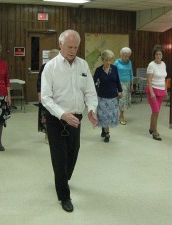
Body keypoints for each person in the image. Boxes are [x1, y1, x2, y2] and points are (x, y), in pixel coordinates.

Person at [41, 29, 98, 212]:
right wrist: (62, 114)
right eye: (69, 46)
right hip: (56, 118)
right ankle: (64, 196)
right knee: (59, 158)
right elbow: (46, 98)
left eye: (75, 47)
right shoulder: (50, 67)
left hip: (76, 117)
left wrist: (91, 109)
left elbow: (90, 91)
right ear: (60, 45)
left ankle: (63, 178)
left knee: (73, 152)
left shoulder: (83, 65)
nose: (73, 50)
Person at [94, 49, 122, 142]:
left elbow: (117, 80)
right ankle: (107, 134)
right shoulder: (98, 70)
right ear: (102, 60)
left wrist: (120, 91)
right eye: (106, 60)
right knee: (104, 115)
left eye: (110, 60)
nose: (108, 62)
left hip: (113, 96)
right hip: (102, 96)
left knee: (110, 115)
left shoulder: (114, 68)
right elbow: (93, 83)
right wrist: (94, 93)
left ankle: (104, 129)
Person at [37, 49, 59, 144]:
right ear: (49, 58)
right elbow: (39, 81)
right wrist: (39, 93)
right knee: (46, 116)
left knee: (57, 115)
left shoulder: (61, 67)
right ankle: (47, 136)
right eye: (52, 57)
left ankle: (57, 135)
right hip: (46, 95)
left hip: (58, 95)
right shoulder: (44, 67)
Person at [146, 44, 167, 141]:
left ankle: (151, 128)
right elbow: (149, 80)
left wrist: (166, 89)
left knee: (156, 112)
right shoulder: (151, 65)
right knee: (156, 111)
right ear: (154, 55)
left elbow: (164, 78)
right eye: (157, 54)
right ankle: (155, 132)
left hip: (161, 90)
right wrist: (152, 93)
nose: (158, 56)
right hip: (153, 90)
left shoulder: (163, 64)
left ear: (162, 55)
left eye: (160, 54)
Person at [114, 47, 133, 125]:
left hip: (127, 83)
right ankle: (116, 115)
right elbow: (114, 74)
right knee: (118, 100)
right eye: (125, 55)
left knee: (123, 101)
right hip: (119, 84)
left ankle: (121, 116)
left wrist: (132, 85)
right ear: (121, 55)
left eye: (128, 56)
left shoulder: (129, 62)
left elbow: (131, 73)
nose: (126, 57)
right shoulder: (117, 62)